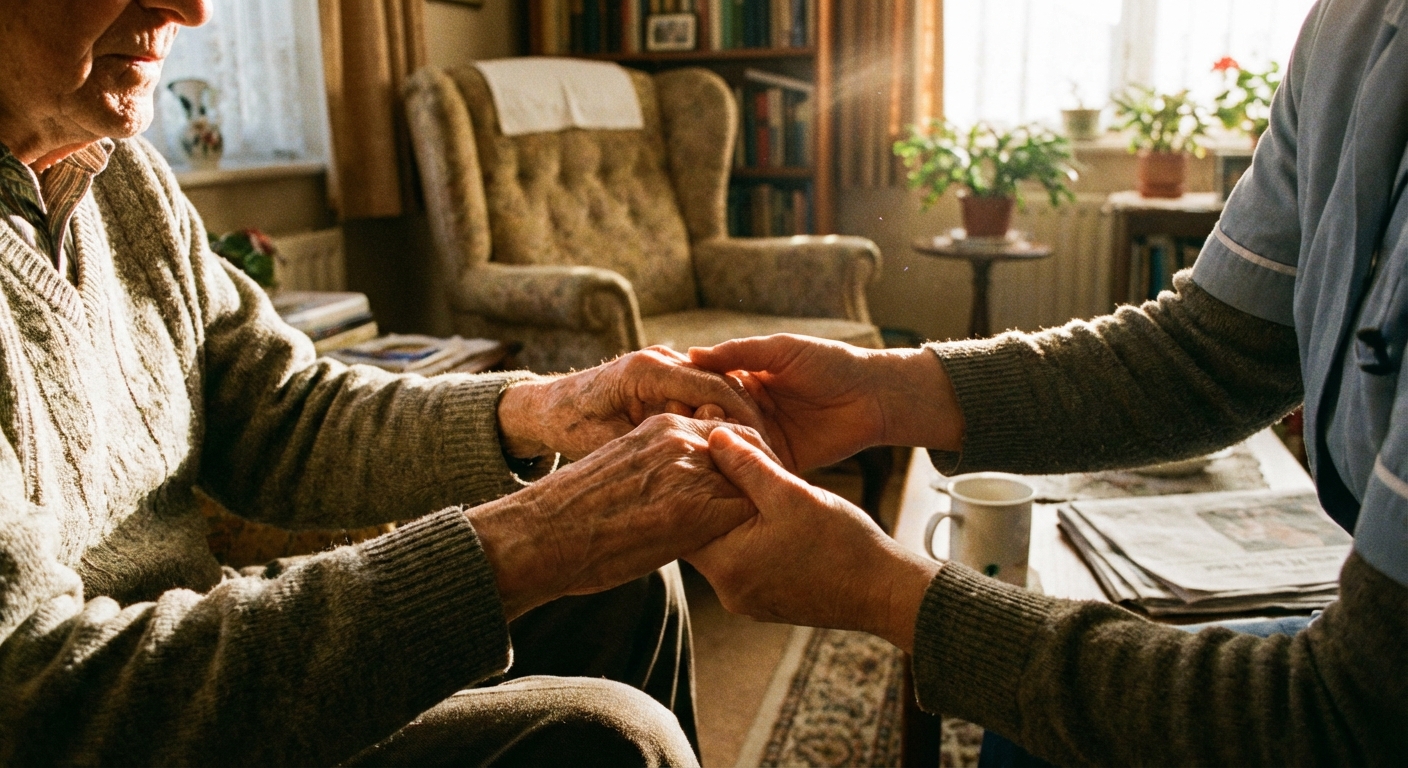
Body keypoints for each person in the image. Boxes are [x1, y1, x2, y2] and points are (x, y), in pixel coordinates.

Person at [0, 2, 772, 765]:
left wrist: (546, 409)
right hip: (126, 714)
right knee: (608, 739)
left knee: (630, 590)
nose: (193, 10)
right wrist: (539, 537)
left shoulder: (124, 177)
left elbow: (285, 413)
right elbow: (39, 697)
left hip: (190, 636)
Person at [685, 0, 1408, 764]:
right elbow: (1206, 352)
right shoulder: (1346, 30)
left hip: (1356, 700)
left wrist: (881, 590)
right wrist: (882, 391)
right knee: (1018, 734)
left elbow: (1350, 716)